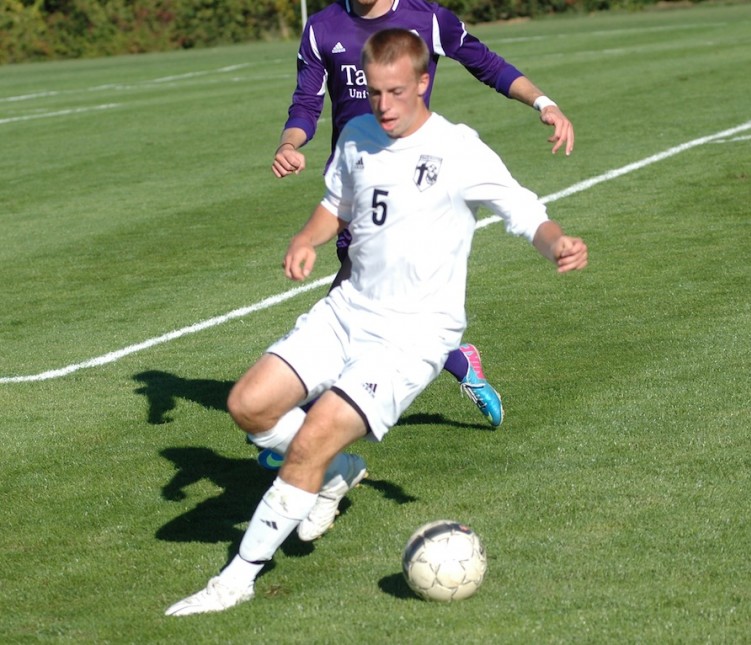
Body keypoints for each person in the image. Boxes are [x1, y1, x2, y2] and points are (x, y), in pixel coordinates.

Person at [165, 28, 587, 616]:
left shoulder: (460, 149)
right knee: (249, 406)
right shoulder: (359, 135)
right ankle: (336, 473)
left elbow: (523, 211)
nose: (381, 106)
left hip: (414, 335)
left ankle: (236, 578)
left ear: (422, 82)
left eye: (395, 92)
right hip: (347, 310)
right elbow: (335, 204)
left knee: (309, 439)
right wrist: (307, 238)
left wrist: (557, 243)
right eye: (373, 92)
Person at [270, 0, 575, 429]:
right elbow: (306, 103)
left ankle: (303, 419)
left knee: (360, 302)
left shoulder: (426, 18)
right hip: (354, 189)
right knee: (379, 302)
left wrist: (543, 102)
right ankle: (458, 361)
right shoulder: (322, 28)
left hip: (417, 188)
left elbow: (485, 63)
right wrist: (289, 145)